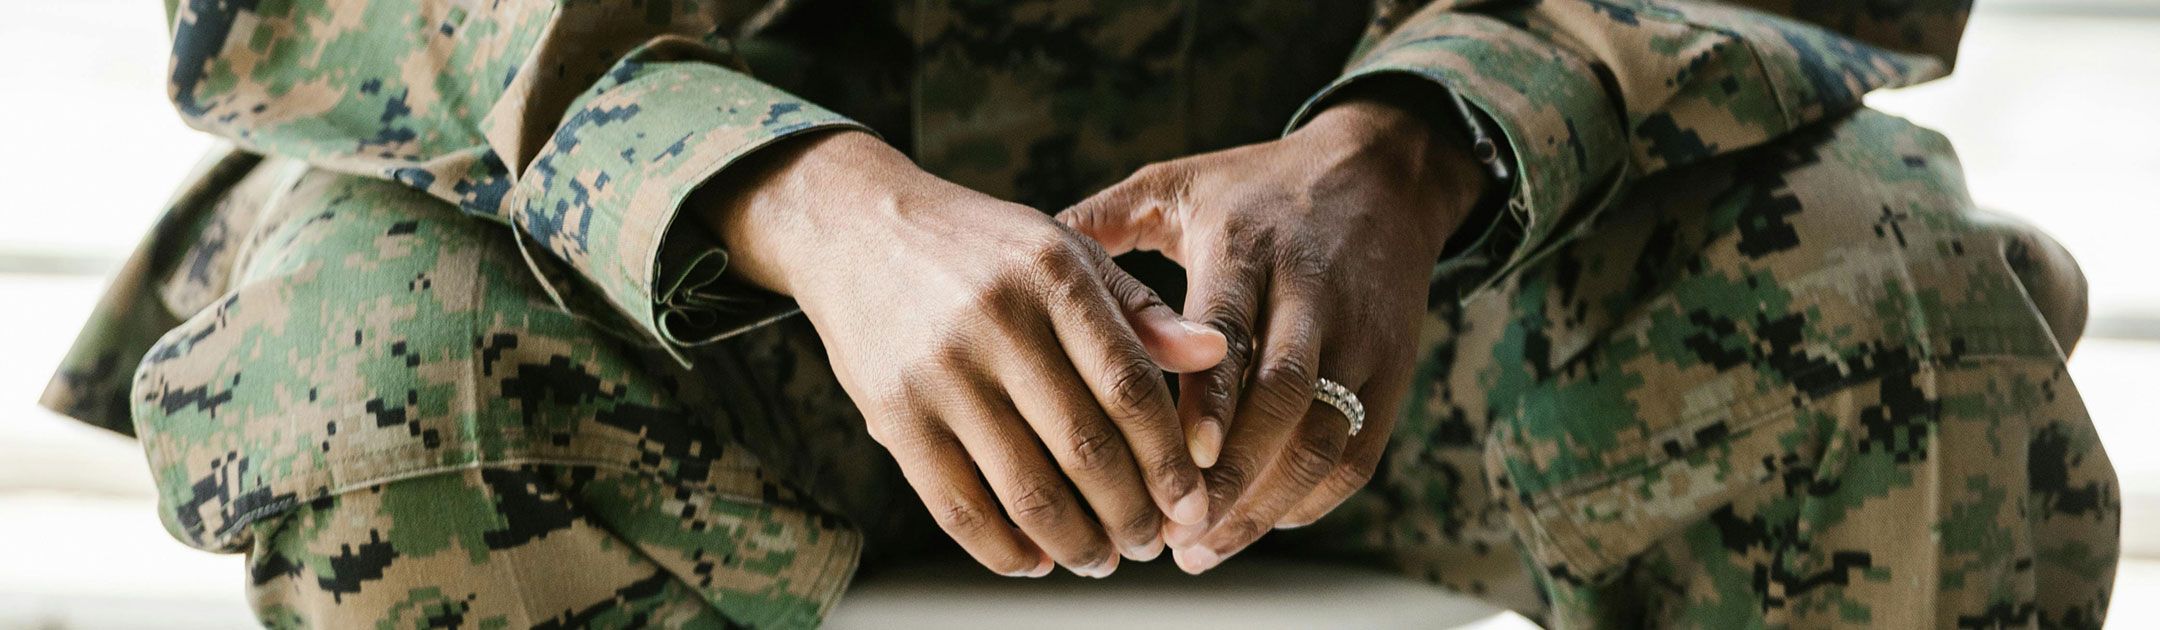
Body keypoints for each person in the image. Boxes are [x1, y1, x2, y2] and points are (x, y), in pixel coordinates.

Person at [44, 0, 2117, 627]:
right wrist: (793, 192)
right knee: (378, 387)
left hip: (1450, 267)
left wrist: (1419, 141)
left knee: (1889, 320)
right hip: (690, 276)